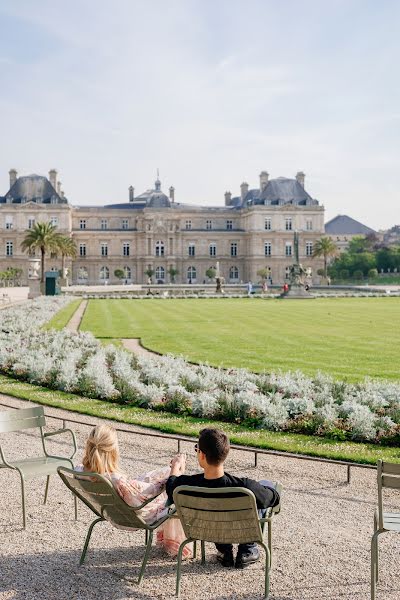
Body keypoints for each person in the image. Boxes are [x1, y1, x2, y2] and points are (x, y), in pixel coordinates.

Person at [166, 428, 280, 569]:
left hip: (213, 531)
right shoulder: (245, 487)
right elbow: (274, 499)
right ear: (225, 453)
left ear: (201, 455)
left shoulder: (186, 485)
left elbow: (170, 486)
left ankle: (224, 551)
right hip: (241, 529)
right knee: (262, 490)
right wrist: (267, 488)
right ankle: (247, 550)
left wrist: (176, 466)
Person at [76, 424, 191, 558]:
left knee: (161, 473)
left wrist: (168, 471)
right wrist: (175, 472)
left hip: (111, 512)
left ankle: (170, 471)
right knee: (174, 493)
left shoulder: (79, 471)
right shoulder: (118, 480)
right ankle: (174, 543)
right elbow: (147, 494)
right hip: (136, 517)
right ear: (113, 449)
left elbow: (135, 490)